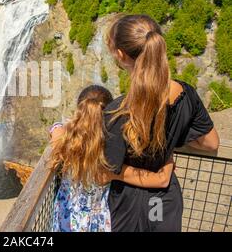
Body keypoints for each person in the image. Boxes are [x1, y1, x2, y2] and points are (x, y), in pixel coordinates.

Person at [104, 14, 220, 232]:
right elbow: (211, 143)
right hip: (163, 203)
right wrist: (170, 141)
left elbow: (105, 172)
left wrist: (155, 177)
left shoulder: (116, 111)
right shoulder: (186, 95)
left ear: (121, 55)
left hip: (128, 208)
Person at [49, 85, 175, 232]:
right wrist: (168, 155)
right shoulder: (111, 159)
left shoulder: (65, 144)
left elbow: (56, 128)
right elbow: (162, 180)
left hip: (65, 221)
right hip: (96, 225)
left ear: (79, 110)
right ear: (110, 116)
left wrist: (58, 128)